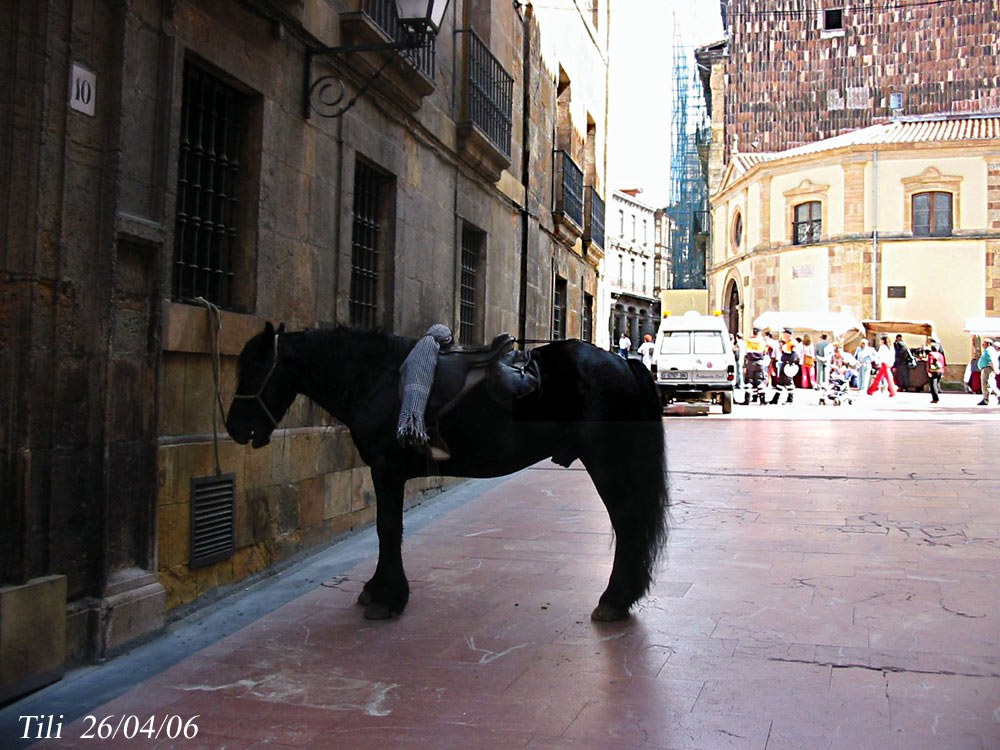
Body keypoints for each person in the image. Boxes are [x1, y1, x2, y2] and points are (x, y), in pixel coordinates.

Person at [771, 328, 800, 404]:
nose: (783, 335)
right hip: (784, 363)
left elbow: (794, 354)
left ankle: (790, 399)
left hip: (788, 365)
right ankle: (775, 399)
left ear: (788, 334)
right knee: (780, 381)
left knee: (789, 381)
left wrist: (790, 362)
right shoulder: (787, 342)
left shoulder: (793, 343)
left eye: (785, 334)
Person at [742, 326, 769, 404]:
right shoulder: (762, 341)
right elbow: (765, 352)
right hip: (760, 362)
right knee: (760, 381)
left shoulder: (748, 340)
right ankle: (762, 400)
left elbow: (745, 351)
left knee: (749, 381)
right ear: (759, 333)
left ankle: (747, 400)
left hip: (750, 362)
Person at [978, 339, 999, 406]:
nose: (982, 345)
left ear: (988, 344)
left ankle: (986, 400)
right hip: (987, 368)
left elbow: (991, 361)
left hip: (987, 369)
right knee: (991, 384)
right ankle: (998, 396)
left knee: (985, 384)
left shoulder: (989, 350)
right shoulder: (990, 350)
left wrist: (994, 369)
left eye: (984, 343)